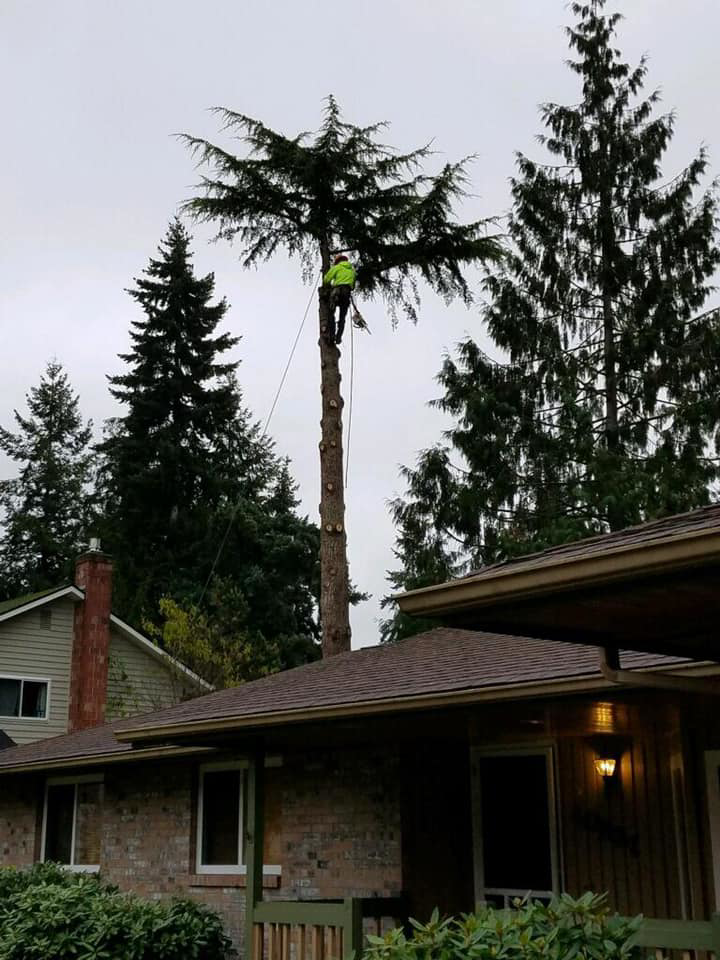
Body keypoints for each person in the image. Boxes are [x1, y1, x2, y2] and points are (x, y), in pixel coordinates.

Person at [323, 254, 356, 344]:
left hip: (337, 292)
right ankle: (338, 337)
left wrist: (327, 285)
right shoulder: (352, 271)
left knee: (331, 313)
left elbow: (327, 279)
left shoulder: (337, 267)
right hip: (346, 293)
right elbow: (353, 286)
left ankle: (331, 335)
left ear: (337, 261)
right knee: (342, 317)